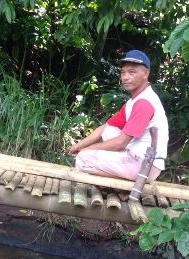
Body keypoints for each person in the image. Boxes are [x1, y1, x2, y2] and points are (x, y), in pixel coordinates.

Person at [69, 49, 169, 195]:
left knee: (84, 159)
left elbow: (121, 142)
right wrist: (79, 145)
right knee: (109, 131)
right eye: (123, 73)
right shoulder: (133, 101)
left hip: (145, 165)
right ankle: (118, 183)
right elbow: (105, 128)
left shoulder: (144, 103)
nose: (126, 77)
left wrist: (88, 150)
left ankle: (116, 188)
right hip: (135, 156)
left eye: (132, 72)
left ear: (146, 74)